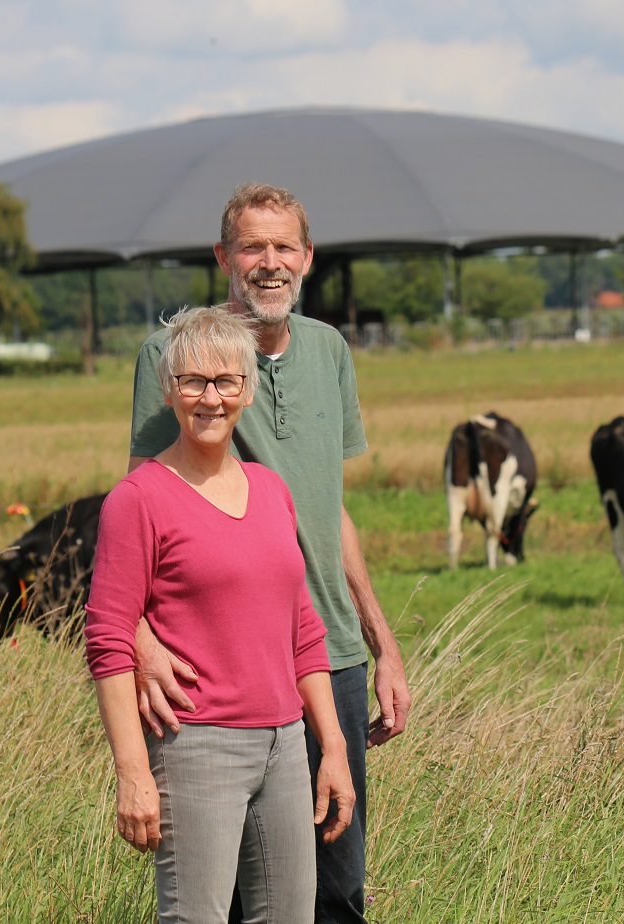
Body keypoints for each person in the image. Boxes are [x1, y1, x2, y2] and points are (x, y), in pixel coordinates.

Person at [128, 184, 411, 924]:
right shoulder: (177, 356)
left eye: (284, 246)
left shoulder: (330, 349)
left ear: (308, 258)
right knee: (217, 896)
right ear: (223, 257)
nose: (269, 263)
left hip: (331, 659)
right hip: (222, 663)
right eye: (251, 246)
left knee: (336, 884)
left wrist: (381, 643)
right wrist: (141, 641)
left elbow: (330, 508)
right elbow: (137, 513)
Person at [86, 306, 354, 924]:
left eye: (227, 381)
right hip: (195, 745)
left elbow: (304, 632)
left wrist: (331, 748)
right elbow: (108, 642)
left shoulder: (270, 490)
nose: (211, 398)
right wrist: (132, 772)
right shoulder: (138, 500)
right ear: (169, 389)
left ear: (248, 390)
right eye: (193, 382)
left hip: (286, 746)